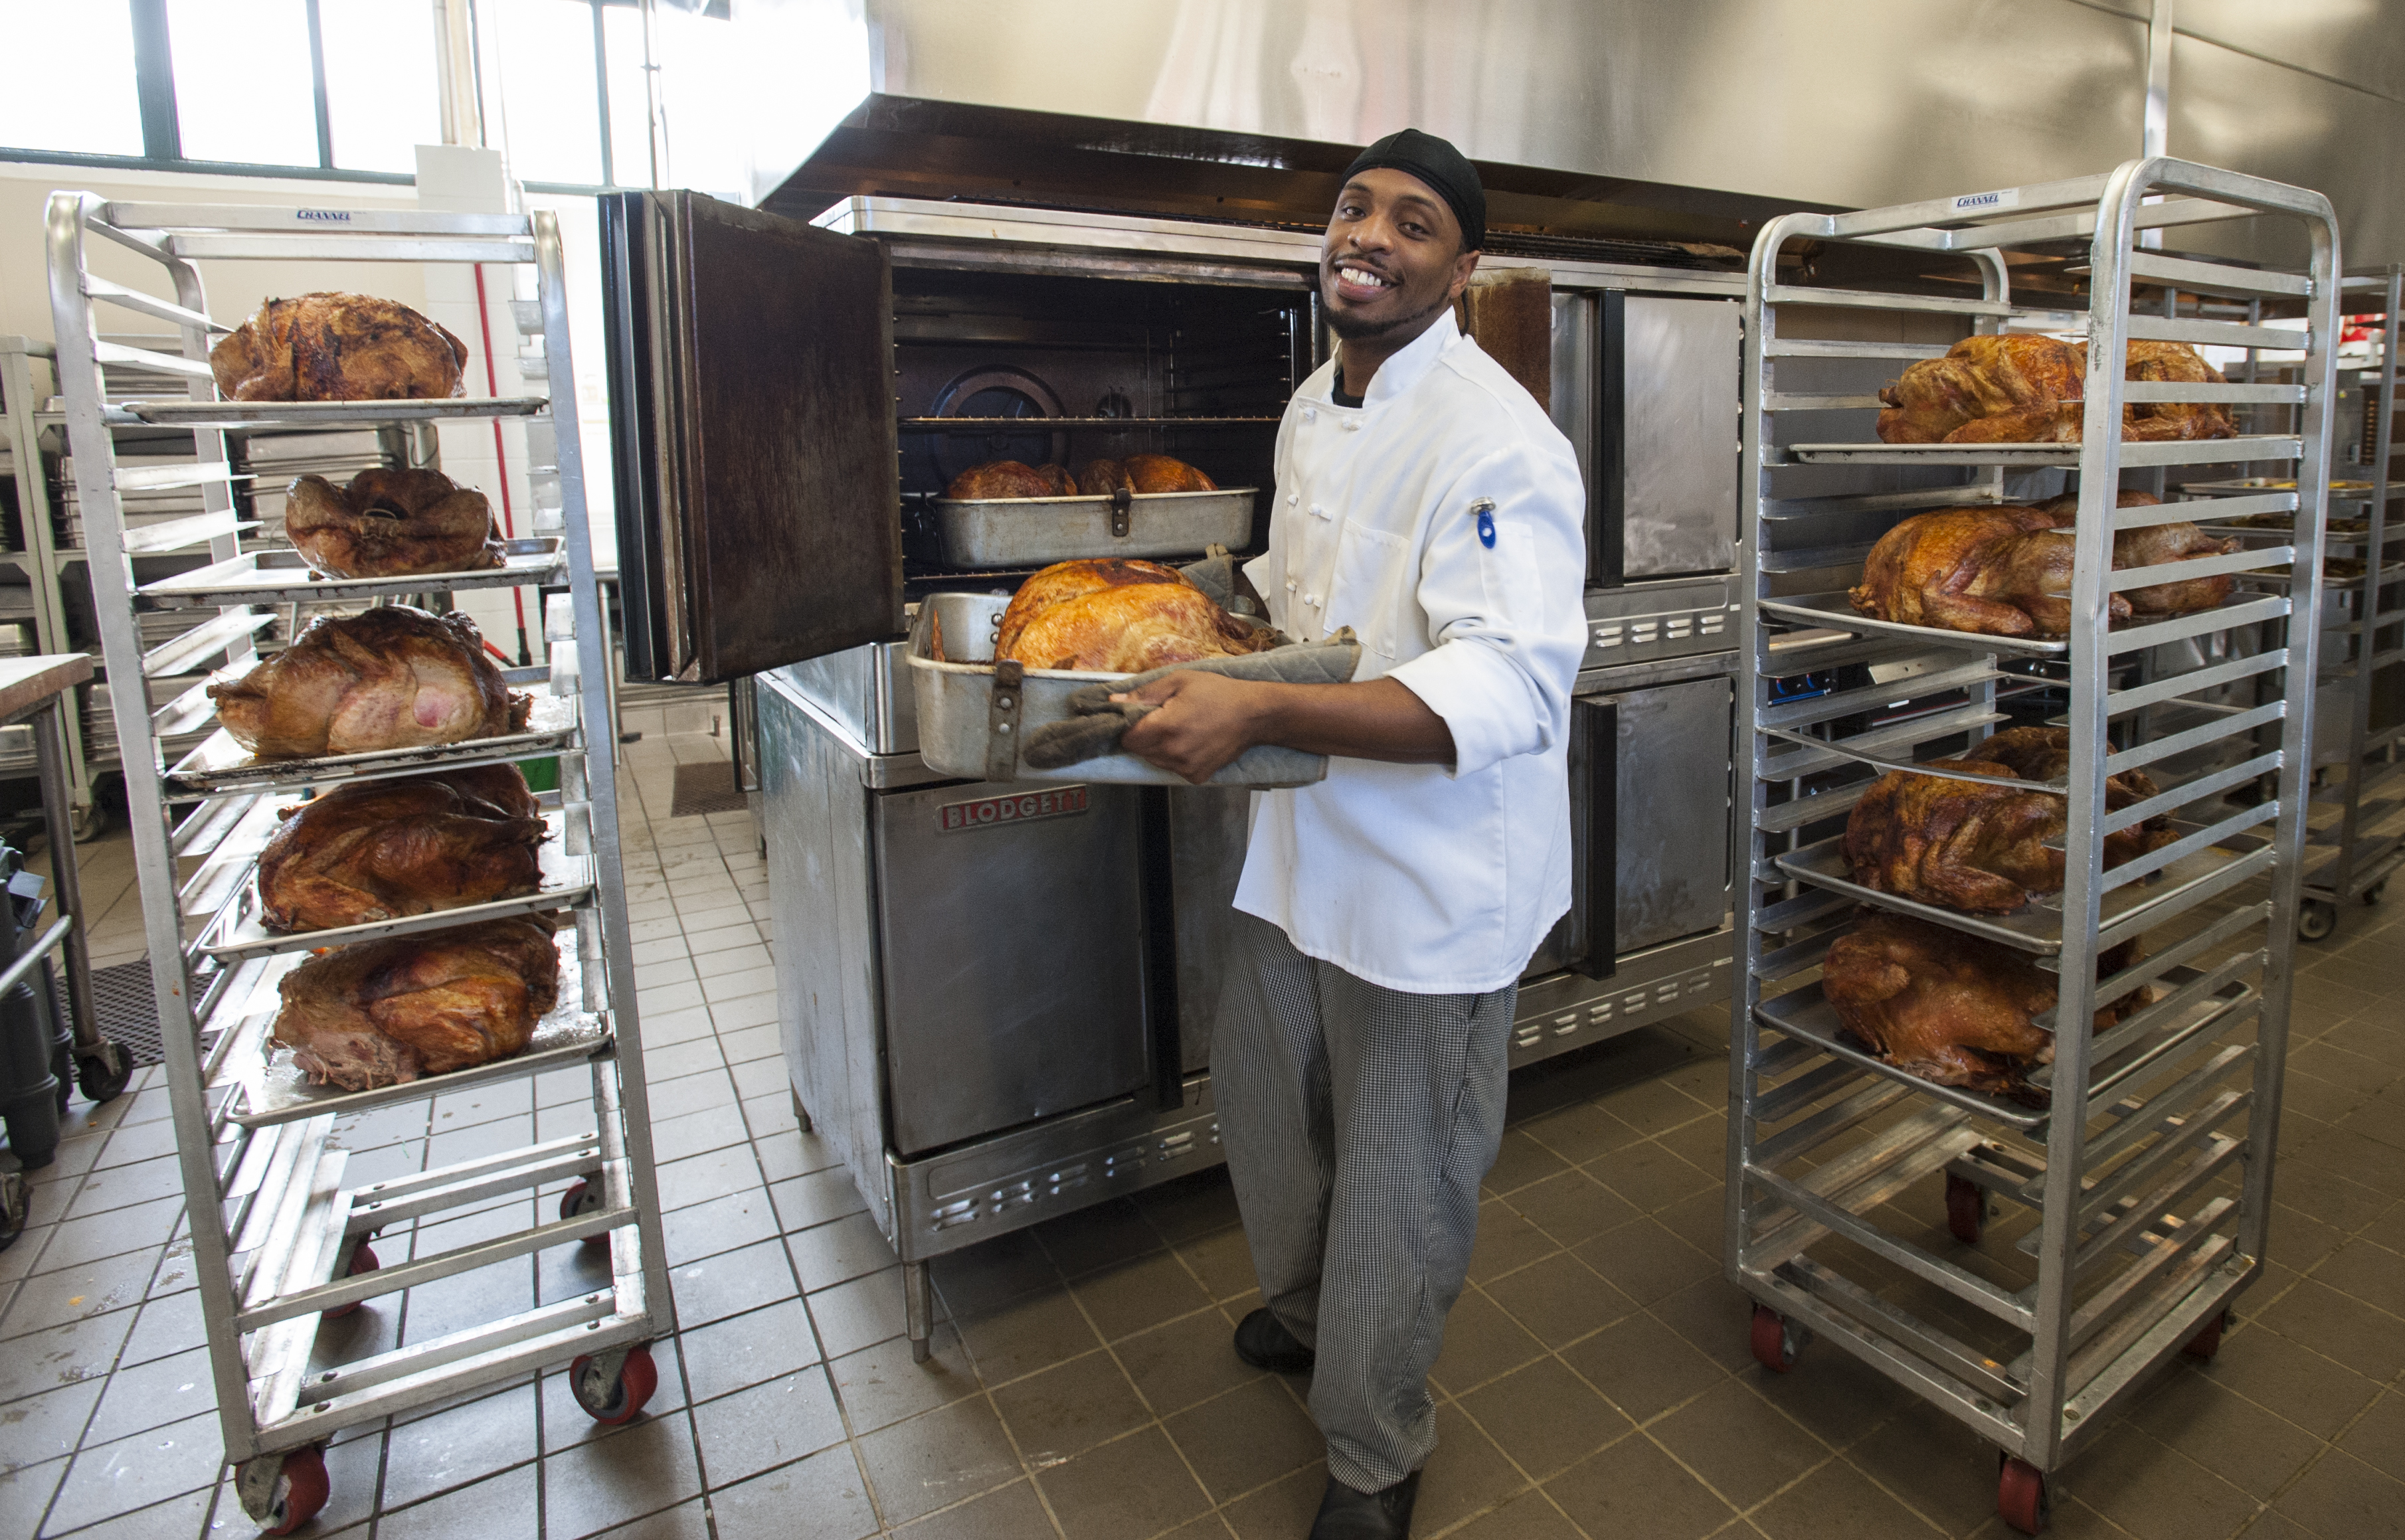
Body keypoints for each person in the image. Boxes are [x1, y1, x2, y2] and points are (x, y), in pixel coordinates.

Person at [1118, 128, 1588, 1540]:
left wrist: (1255, 708)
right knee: (1275, 1116)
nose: (1368, 237)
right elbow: (1299, 587)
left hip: (1432, 877)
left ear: (1462, 266)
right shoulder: (1311, 405)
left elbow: (1510, 681)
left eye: (1414, 222)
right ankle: (1316, 1314)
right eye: (1352, 207)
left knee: (1402, 1170)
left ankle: (1375, 1446)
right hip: (1295, 843)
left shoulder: (1500, 439)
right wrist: (1180, 600)